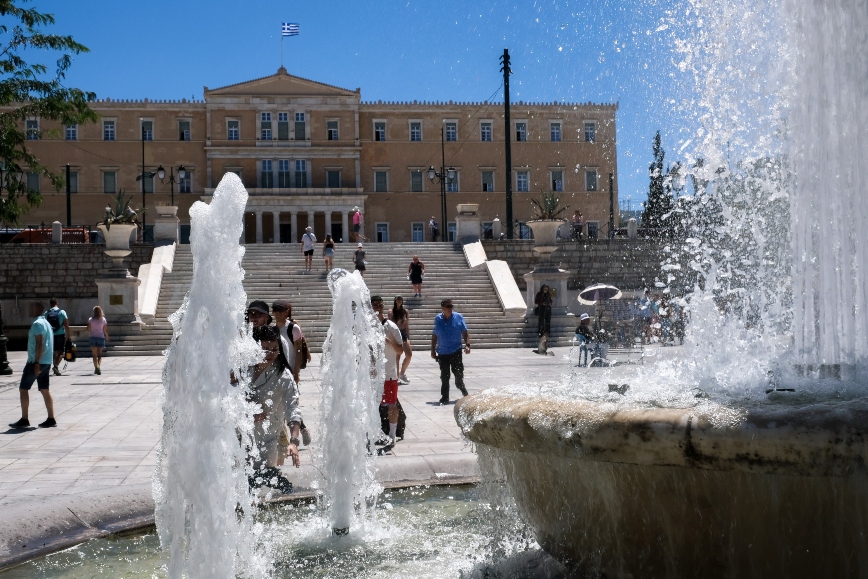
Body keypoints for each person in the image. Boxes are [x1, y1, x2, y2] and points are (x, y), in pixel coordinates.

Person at [247, 325, 301, 494]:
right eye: (265, 349)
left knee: (255, 479)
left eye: (274, 349)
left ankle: (287, 492)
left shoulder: (283, 376)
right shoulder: (243, 369)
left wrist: (293, 442)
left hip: (265, 440)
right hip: (238, 438)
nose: (270, 354)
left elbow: (293, 408)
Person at [9, 302, 56, 429]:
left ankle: (24, 419)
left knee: (23, 389)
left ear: (37, 309)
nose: (29, 309)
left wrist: (36, 362)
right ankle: (51, 418)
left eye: (31, 307)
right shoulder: (46, 323)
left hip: (36, 362)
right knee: (45, 389)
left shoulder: (37, 324)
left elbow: (39, 344)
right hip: (46, 361)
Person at [371, 295, 404, 445]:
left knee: (391, 405)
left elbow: (400, 350)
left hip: (389, 374)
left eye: (380, 305)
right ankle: (372, 434)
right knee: (371, 406)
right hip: (371, 375)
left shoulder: (391, 326)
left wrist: (388, 341)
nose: (377, 307)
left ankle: (392, 435)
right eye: (375, 305)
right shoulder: (366, 326)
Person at [431, 299, 470, 405]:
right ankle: (444, 397)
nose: (450, 309)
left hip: (456, 351)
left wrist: (467, 345)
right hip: (443, 352)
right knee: (444, 375)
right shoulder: (438, 319)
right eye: (448, 307)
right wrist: (433, 350)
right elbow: (434, 335)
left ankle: (462, 388)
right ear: (443, 308)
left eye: (451, 306)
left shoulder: (458, 317)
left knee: (458, 373)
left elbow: (465, 332)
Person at [388, 296, 412, 384]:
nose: (399, 301)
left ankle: (402, 373)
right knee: (397, 356)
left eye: (400, 299)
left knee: (409, 354)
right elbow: (391, 323)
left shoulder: (405, 312)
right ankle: (397, 377)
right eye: (398, 299)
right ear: (395, 301)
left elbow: (407, 325)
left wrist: (408, 336)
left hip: (403, 332)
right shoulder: (391, 312)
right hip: (395, 333)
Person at [44, 298, 70, 376]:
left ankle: (53, 366)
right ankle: (56, 366)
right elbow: (66, 325)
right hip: (60, 334)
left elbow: (44, 325)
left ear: (50, 304)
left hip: (50, 335)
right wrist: (68, 335)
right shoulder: (62, 312)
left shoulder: (46, 313)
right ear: (57, 303)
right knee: (61, 352)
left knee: (53, 351)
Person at [87, 306, 109, 375]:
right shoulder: (103, 320)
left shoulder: (90, 320)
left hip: (93, 337)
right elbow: (105, 330)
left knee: (94, 355)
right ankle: (98, 366)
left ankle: (96, 367)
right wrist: (107, 337)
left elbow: (88, 329)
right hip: (101, 337)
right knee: (99, 355)